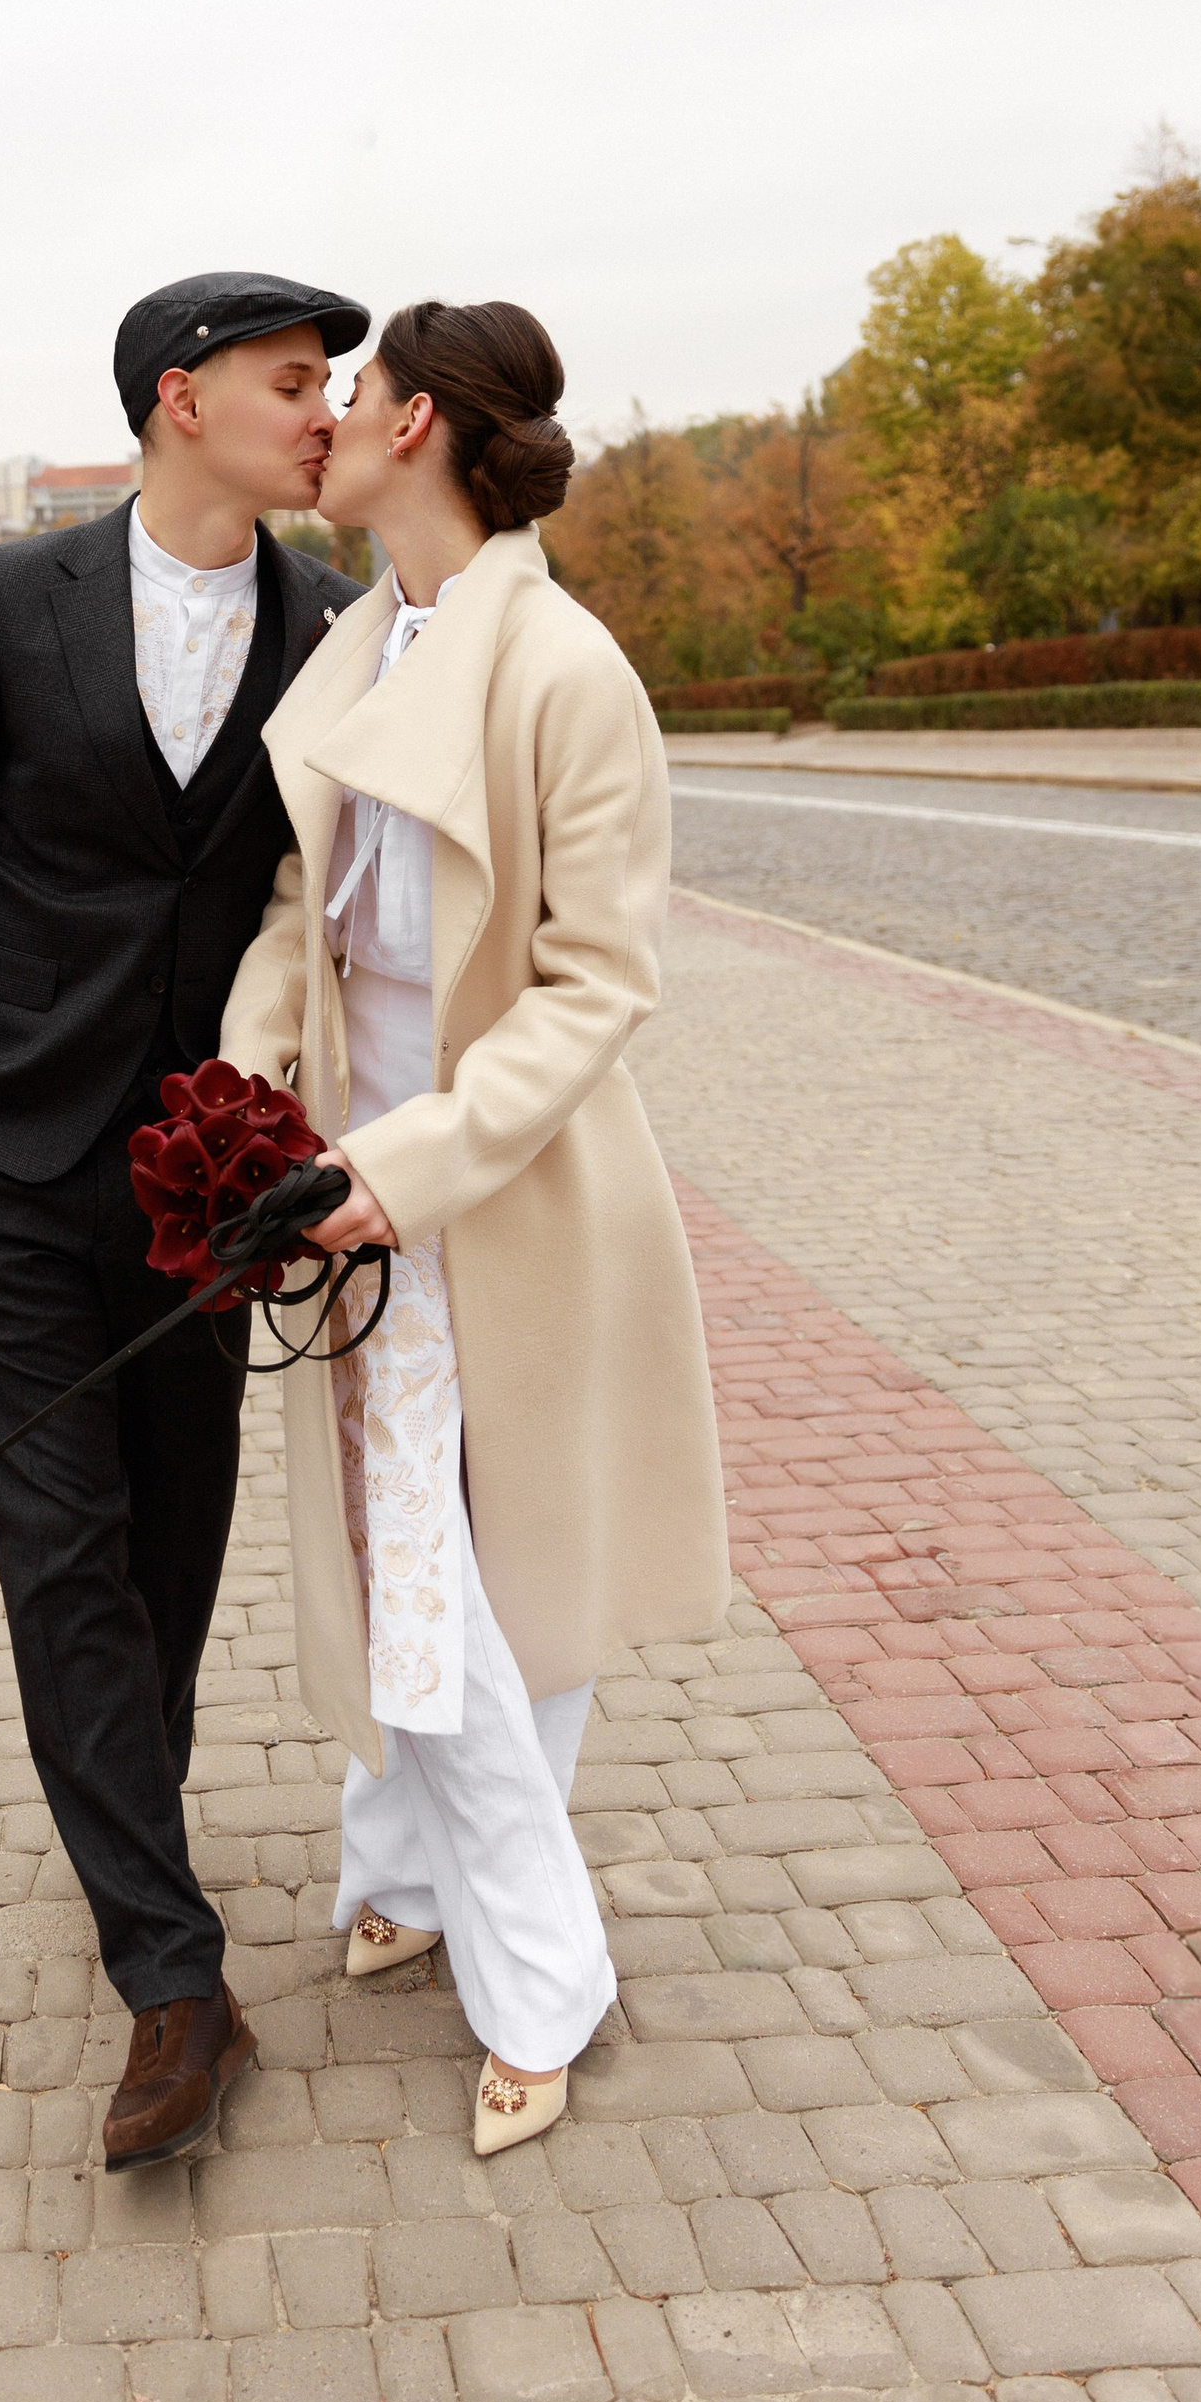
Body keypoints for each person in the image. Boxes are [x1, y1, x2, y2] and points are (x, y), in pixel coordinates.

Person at [0, 273, 369, 2167]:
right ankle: (172, 1975)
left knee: (174, 1540)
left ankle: (123, 1831)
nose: (327, 413)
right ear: (181, 399)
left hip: (193, 1183)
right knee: (62, 1551)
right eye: (295, 382)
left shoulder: (331, 625)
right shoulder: (3, 604)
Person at [220, 298, 729, 2153]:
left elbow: (600, 987)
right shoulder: (367, 646)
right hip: (346, 1182)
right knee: (405, 1550)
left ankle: (541, 1972)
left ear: (417, 423)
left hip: (496, 1195)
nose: (325, 421)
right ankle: (412, 1875)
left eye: (349, 394)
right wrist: (248, 1085)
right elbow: (307, 906)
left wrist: (405, 1166)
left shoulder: (563, 668)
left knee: (469, 1576)